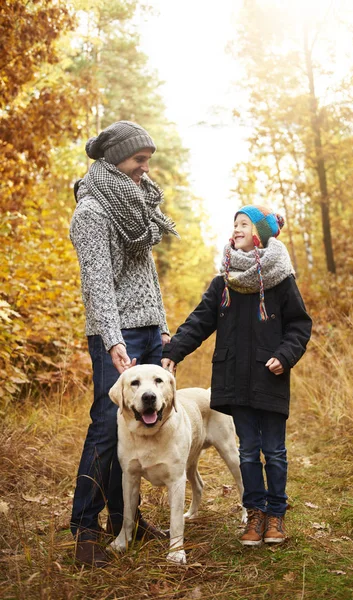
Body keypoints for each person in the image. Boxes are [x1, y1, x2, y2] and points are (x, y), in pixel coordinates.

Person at [162, 205, 312, 547]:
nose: (237, 228)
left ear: (259, 234)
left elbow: (300, 325)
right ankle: (254, 513)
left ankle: (276, 513)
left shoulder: (281, 281)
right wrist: (173, 352)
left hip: (270, 378)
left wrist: (285, 356)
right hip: (234, 380)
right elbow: (199, 321)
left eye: (244, 223)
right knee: (247, 452)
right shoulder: (224, 283)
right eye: (235, 224)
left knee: (274, 451)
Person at [70, 120, 178, 567]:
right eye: (139, 161)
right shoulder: (93, 212)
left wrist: (163, 325)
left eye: (147, 160)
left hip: (148, 329)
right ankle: (85, 528)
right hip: (117, 333)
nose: (145, 170)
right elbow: (97, 285)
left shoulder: (134, 207)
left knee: (138, 425)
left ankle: (125, 521)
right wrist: (114, 339)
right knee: (106, 423)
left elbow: (145, 278)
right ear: (115, 161)